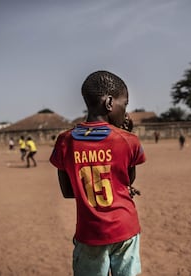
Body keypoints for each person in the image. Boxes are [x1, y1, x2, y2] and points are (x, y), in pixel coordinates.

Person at [50, 70, 146, 276]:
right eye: (125, 104)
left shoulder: (65, 141)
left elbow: (68, 191)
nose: (126, 111)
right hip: (125, 229)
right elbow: (127, 181)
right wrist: (126, 133)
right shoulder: (128, 140)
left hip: (90, 234)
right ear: (110, 103)